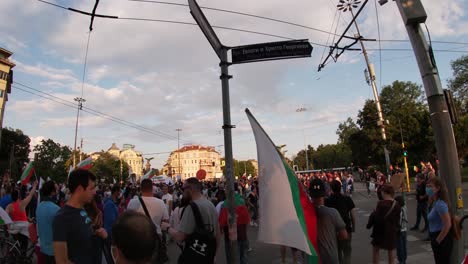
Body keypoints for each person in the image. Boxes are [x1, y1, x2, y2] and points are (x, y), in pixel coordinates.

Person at [53, 169, 108, 264]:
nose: (95, 192)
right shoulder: (62, 218)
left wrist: (97, 233)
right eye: (91, 188)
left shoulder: (82, 209)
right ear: (80, 189)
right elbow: (62, 261)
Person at [161, 177, 220, 263]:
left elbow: (180, 237)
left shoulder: (191, 207)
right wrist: (214, 255)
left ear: (190, 189)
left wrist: (167, 228)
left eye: (184, 189)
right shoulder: (210, 204)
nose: (182, 191)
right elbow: (218, 233)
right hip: (208, 255)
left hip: (195, 256)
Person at [308, 178, 348, 264]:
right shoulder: (333, 213)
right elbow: (344, 235)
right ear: (325, 193)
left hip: (311, 258)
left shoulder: (304, 214)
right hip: (330, 257)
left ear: (310, 194)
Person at [366, 184, 400, 264]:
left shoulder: (381, 204)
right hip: (391, 230)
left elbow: (378, 218)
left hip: (380, 230)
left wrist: (373, 214)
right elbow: (397, 218)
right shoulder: (397, 204)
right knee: (391, 250)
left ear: (385, 192)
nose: (381, 193)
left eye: (382, 192)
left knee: (376, 250)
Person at [325, 180, 355, 264]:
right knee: (347, 248)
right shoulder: (347, 198)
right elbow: (352, 215)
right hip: (346, 227)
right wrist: (354, 227)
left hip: (333, 230)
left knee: (337, 250)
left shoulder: (327, 201)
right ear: (340, 187)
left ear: (331, 189)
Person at [6, 181, 38, 253]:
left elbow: (5, 216)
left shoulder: (9, 206)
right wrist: (35, 185)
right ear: (18, 196)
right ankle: (23, 256)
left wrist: (8, 227)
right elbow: (31, 194)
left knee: (16, 243)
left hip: (14, 228)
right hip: (23, 227)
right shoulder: (22, 203)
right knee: (25, 243)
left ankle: (16, 254)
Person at [426, 177, 452, 264]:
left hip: (441, 238)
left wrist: (437, 241)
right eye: (427, 186)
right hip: (436, 236)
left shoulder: (440, 204)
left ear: (438, 188)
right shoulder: (435, 202)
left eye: (430, 186)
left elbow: (447, 224)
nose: (428, 188)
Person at [36, 181, 60, 264]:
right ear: (52, 192)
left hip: (43, 249)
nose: (58, 192)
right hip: (54, 252)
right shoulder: (56, 209)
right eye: (57, 190)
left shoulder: (39, 206)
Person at [395, 196, 408, 264]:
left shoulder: (400, 210)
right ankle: (404, 260)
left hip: (400, 230)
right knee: (404, 246)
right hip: (404, 229)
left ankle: (401, 261)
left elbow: (398, 222)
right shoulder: (405, 207)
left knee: (400, 247)